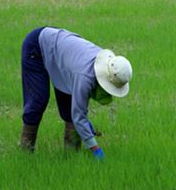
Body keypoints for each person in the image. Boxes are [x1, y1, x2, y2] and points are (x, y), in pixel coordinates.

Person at [19, 27, 132, 160]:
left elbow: (78, 110)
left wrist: (84, 123)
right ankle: (25, 152)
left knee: (69, 106)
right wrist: (95, 149)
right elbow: (79, 115)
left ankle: (72, 155)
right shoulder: (85, 76)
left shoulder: (104, 66)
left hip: (63, 56)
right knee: (38, 100)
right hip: (37, 46)